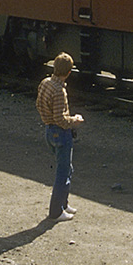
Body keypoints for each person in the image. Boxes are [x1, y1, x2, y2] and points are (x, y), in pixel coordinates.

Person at [35, 52, 84, 222]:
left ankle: (64, 203)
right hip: (60, 133)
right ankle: (56, 212)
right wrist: (75, 120)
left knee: (66, 168)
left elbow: (39, 104)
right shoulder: (59, 91)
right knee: (63, 172)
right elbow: (60, 119)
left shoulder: (45, 83)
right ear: (69, 72)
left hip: (49, 130)